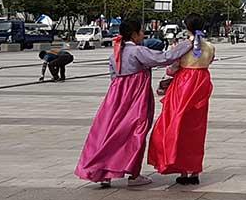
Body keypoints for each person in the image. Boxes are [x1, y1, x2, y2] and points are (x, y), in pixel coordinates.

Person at [75, 19, 193, 188]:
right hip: (135, 98)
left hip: (115, 98)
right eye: (141, 32)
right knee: (136, 132)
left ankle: (102, 172)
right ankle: (134, 174)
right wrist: (186, 44)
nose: (143, 35)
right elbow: (165, 57)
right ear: (134, 34)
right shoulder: (138, 51)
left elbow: (113, 75)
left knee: (108, 132)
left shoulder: (116, 51)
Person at [148, 14, 215, 185]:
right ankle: (195, 170)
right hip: (201, 85)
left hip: (183, 86)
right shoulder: (210, 47)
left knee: (176, 126)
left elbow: (172, 68)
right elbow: (209, 62)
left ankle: (182, 169)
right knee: (196, 129)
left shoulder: (184, 46)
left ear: (187, 27)